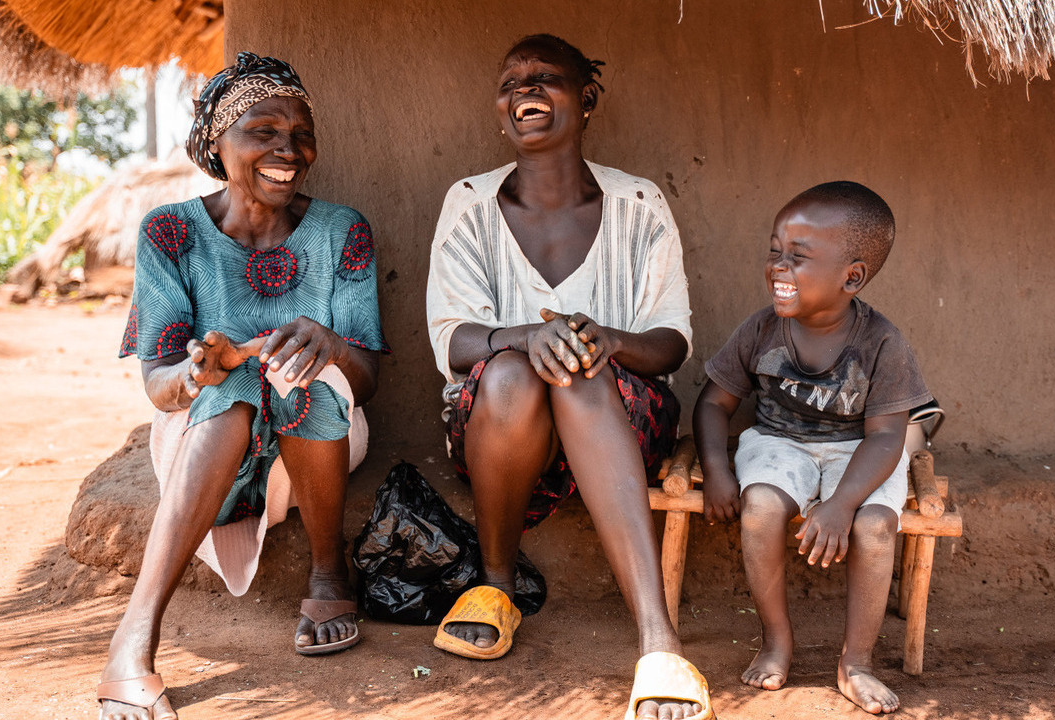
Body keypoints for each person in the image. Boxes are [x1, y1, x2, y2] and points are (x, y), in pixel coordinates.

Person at [426, 34, 713, 720]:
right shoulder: (468, 203)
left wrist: (605, 341)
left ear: (586, 100)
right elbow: (451, 338)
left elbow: (672, 344)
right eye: (511, 81)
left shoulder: (639, 204)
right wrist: (529, 337)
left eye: (544, 78)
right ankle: (495, 584)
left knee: (581, 372)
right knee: (509, 376)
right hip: (502, 431)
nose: (524, 91)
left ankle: (658, 641)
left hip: (621, 423)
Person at [98, 52, 387, 720]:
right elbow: (158, 383)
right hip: (203, 435)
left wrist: (335, 345)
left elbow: (367, 380)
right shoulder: (170, 233)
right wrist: (202, 368)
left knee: (299, 380)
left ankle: (327, 574)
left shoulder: (343, 231)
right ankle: (134, 637)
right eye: (265, 130)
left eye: (300, 133)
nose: (289, 148)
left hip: (319, 438)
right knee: (234, 392)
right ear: (215, 143)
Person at [693, 182, 931, 714]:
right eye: (775, 252)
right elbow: (713, 404)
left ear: (853, 276)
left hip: (858, 450)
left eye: (797, 259)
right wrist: (715, 468)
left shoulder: (882, 343)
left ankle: (857, 662)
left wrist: (843, 504)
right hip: (779, 443)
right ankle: (776, 640)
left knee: (873, 527)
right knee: (759, 510)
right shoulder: (760, 329)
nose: (778, 267)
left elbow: (887, 437)